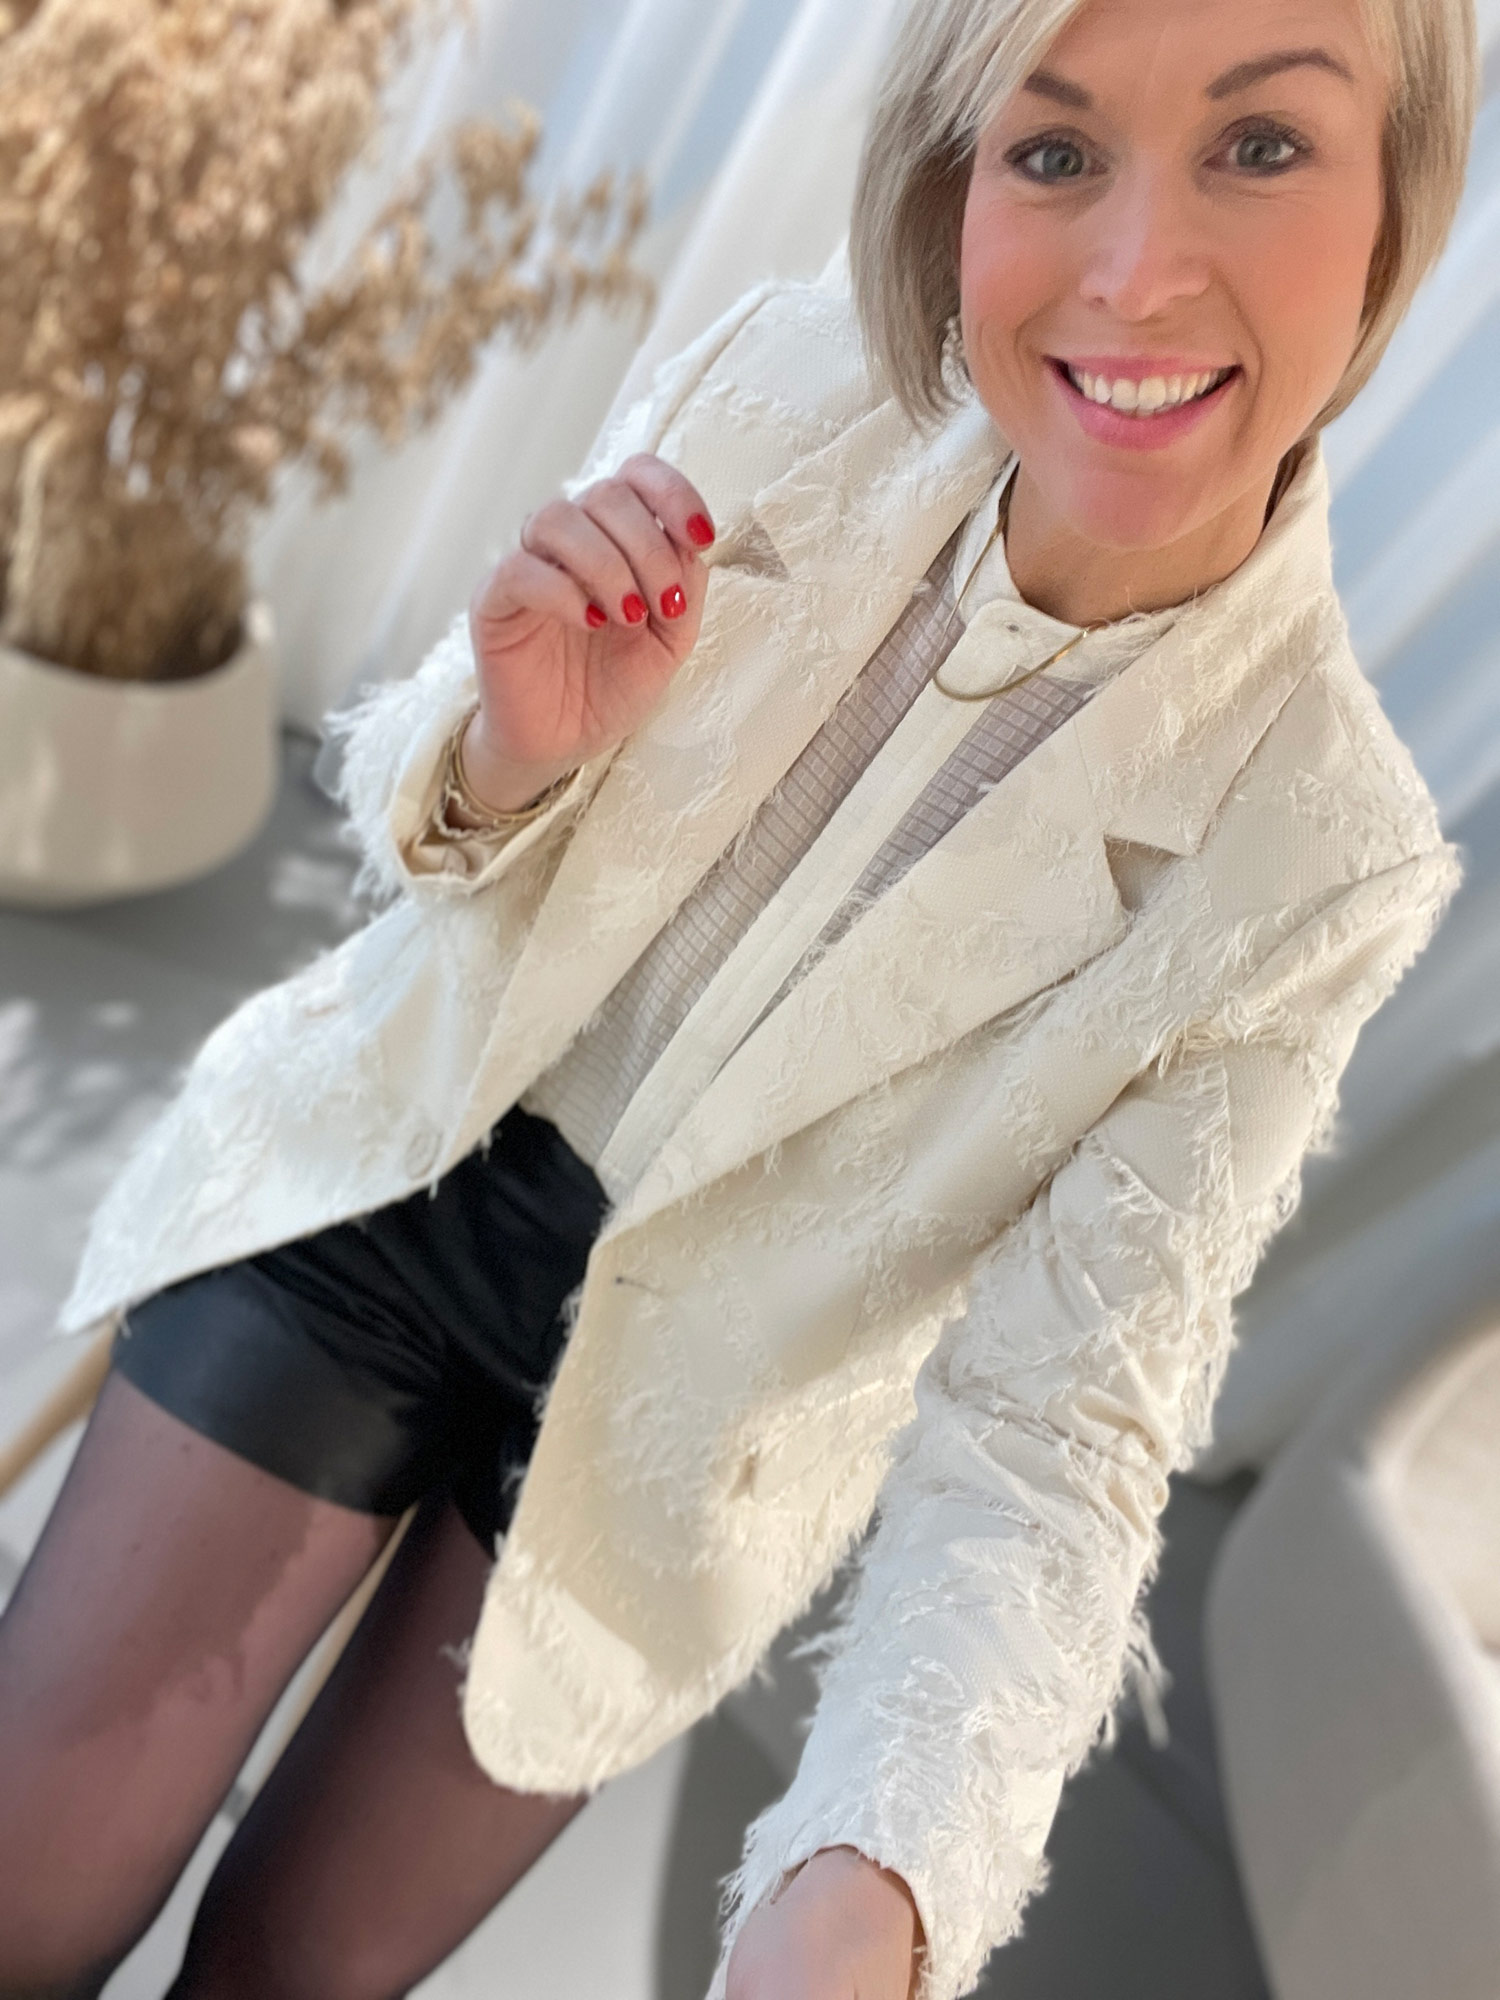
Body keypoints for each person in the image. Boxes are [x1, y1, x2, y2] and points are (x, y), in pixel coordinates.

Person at [0, 0, 1477, 1995]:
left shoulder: (1320, 857)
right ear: (955, 178)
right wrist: (512, 749)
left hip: (693, 1438)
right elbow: (427, 816)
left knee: (293, 1972)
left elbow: (1055, 1434)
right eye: (1054, 151)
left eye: (1261, 147)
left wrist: (881, 1873)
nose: (1139, 273)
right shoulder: (784, 378)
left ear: (1401, 195)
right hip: (403, 1169)